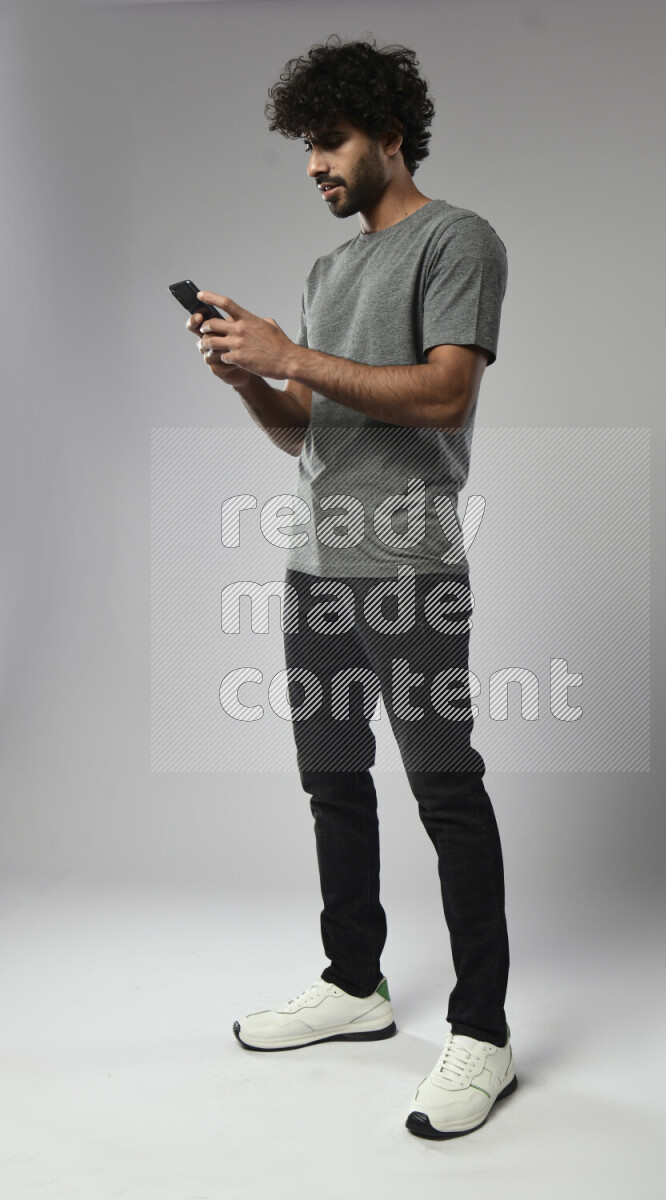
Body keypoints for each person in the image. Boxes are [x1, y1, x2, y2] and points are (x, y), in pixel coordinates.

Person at [185, 35, 515, 1139]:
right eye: (306, 148)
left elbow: (437, 396)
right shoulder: (329, 273)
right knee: (333, 784)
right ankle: (354, 986)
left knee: (445, 794)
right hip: (315, 571)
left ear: (386, 133)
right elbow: (310, 431)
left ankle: (481, 1035)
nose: (315, 165)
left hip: (409, 573)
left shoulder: (456, 240)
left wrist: (291, 354)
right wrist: (251, 376)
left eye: (327, 142)